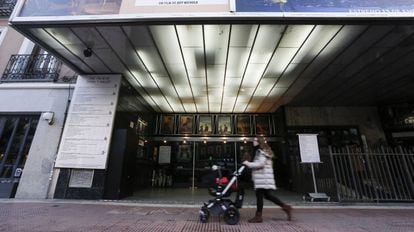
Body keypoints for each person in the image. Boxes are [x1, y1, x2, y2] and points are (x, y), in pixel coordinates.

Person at [242, 137, 292, 222]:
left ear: (258, 142)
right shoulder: (262, 151)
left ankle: (258, 216)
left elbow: (261, 164)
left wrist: (248, 163)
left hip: (263, 178)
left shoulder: (261, 152)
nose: (253, 141)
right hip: (263, 178)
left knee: (260, 197)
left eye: (254, 140)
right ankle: (285, 207)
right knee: (268, 196)